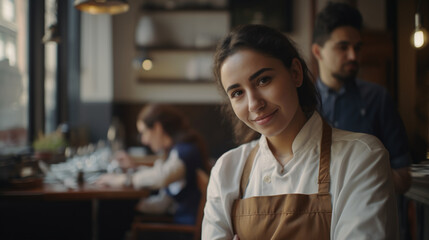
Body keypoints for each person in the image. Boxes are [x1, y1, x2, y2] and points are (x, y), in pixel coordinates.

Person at [202, 24, 398, 239]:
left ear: (295, 73)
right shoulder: (226, 169)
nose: (254, 104)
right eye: (238, 92)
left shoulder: (361, 157)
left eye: (263, 80)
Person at [311, 2, 411, 194]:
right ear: (317, 51)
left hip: (369, 217)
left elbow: (402, 178)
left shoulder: (378, 99)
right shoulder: (303, 104)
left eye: (357, 47)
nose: (353, 56)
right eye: (343, 47)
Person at [96, 104, 210, 225]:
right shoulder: (180, 149)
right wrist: (134, 168)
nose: (144, 140)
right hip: (178, 221)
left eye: (144, 132)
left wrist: (124, 179)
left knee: (113, 213)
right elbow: (164, 177)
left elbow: (162, 177)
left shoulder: (186, 151)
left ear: (157, 127)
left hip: (182, 228)